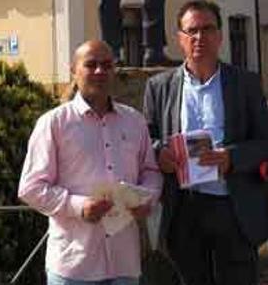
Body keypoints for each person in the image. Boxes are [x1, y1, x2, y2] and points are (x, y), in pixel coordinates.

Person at [143, 0, 268, 285]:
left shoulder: (246, 83)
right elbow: (147, 138)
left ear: (220, 36)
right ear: (180, 38)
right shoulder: (159, 87)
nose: (199, 37)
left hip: (233, 205)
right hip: (183, 208)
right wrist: (159, 153)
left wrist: (232, 158)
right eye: (192, 31)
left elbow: (266, 142)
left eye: (207, 29)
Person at [18, 40, 163, 285]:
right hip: (74, 266)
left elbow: (150, 170)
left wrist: (147, 198)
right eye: (91, 65)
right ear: (73, 70)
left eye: (107, 65)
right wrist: (79, 206)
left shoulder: (134, 121)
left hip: (124, 262)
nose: (100, 71)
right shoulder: (54, 123)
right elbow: (31, 188)